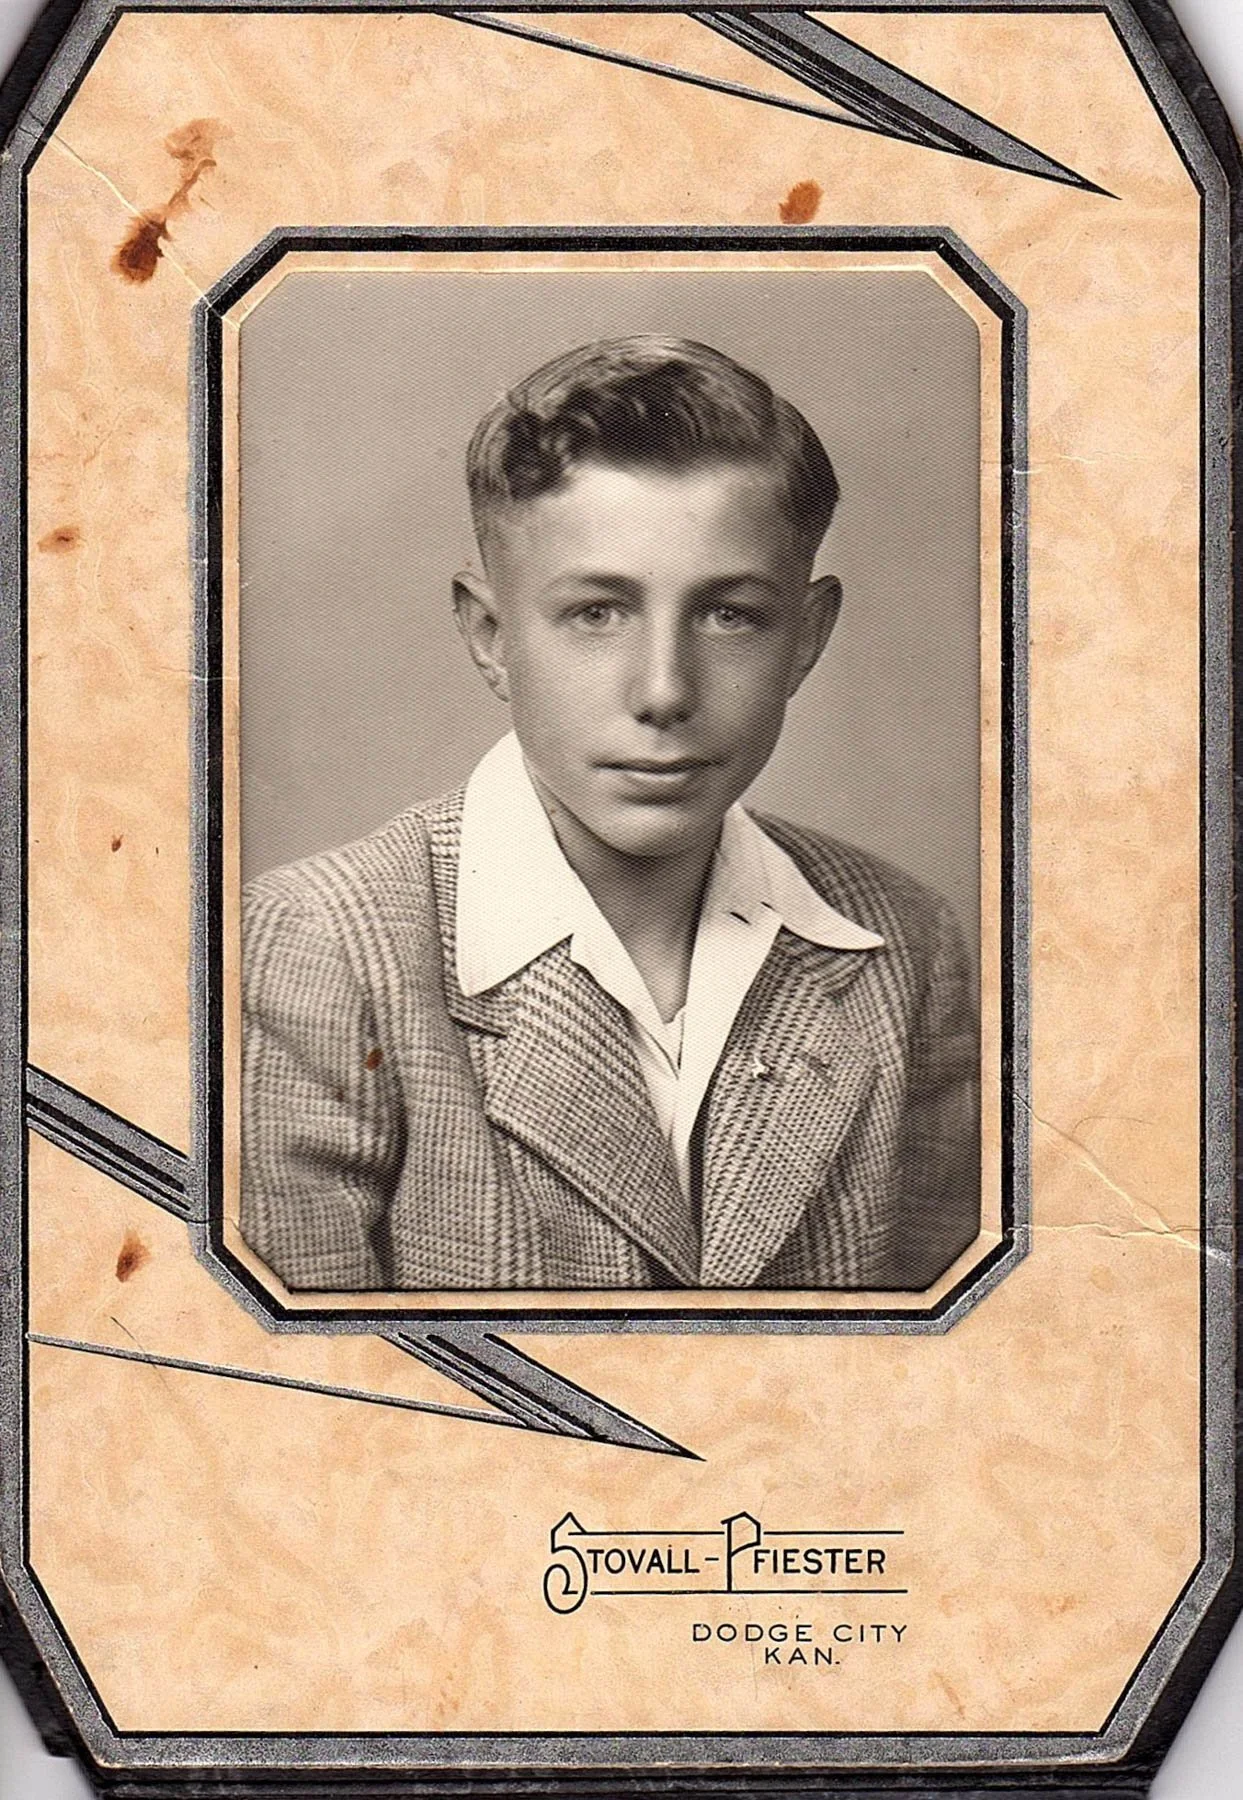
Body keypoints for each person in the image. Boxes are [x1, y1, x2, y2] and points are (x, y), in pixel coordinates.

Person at [241, 335, 979, 1293]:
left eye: (730, 615)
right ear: (490, 635)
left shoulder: (905, 945)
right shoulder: (320, 953)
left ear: (807, 637)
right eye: (596, 613)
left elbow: (950, 1374)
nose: (663, 691)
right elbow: (308, 1410)